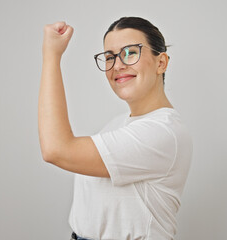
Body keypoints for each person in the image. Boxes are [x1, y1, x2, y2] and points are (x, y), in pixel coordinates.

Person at [38, 16, 192, 240]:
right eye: (110, 57)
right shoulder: (118, 124)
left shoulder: (163, 132)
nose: (118, 65)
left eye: (131, 52)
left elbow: (56, 149)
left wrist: (51, 55)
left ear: (161, 63)